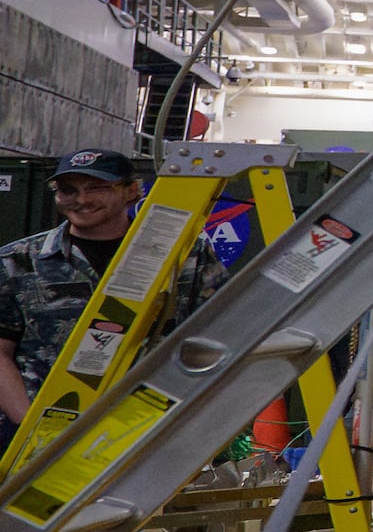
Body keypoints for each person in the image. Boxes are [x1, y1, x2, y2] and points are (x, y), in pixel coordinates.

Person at [0, 149, 220, 437]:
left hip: (152, 426)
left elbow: (219, 332)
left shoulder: (183, 256)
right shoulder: (17, 261)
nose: (81, 200)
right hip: (48, 431)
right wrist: (29, 423)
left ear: (132, 191)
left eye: (97, 188)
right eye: (68, 190)